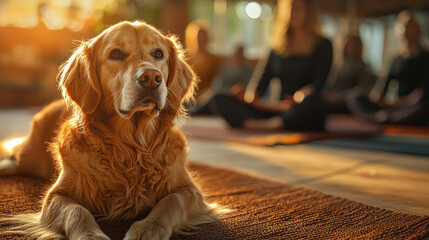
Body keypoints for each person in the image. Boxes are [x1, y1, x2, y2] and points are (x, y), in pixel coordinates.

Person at [210, 0, 333, 131]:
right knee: (219, 98)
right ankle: (269, 123)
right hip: (277, 108)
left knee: (317, 102)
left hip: (303, 107)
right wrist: (246, 97)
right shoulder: (276, 48)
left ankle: (270, 124)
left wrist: (300, 97)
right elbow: (258, 87)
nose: (292, 13)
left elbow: (319, 83)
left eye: (298, 9)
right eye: (289, 9)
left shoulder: (323, 45)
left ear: (309, 12)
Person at [348, 11, 429, 125]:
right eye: (403, 27)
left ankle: (384, 118)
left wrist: (403, 103)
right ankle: (383, 118)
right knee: (355, 98)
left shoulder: (426, 57)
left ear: (417, 30)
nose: (406, 30)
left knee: (424, 107)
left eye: (410, 26)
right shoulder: (396, 60)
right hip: (395, 106)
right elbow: (380, 92)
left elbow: (421, 94)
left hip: (415, 106)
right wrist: (388, 102)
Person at [192, 45, 254, 114]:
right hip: (221, 91)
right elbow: (218, 82)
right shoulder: (225, 67)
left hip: (235, 96)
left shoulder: (248, 70)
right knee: (209, 95)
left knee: (216, 99)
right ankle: (195, 108)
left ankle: (196, 112)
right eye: (236, 53)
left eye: (240, 54)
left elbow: (248, 87)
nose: (238, 56)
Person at [323, 35, 376, 113]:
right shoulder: (340, 65)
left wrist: (337, 98)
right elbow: (331, 85)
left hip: (346, 103)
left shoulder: (362, 66)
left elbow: (363, 89)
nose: (350, 48)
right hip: (331, 99)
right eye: (348, 44)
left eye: (353, 45)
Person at [185, 21, 220, 100]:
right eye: (198, 38)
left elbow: (215, 82)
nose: (200, 41)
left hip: (207, 97)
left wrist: (203, 95)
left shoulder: (214, 60)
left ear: (207, 39)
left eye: (203, 37)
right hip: (189, 96)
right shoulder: (187, 59)